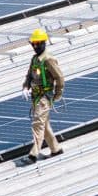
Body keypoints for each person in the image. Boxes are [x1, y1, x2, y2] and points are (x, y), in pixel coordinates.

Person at [23, 28, 65, 162]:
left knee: (37, 124)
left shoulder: (48, 59)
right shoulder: (35, 59)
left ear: (43, 43)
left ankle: (33, 154)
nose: (35, 46)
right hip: (36, 97)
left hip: (44, 98)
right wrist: (25, 87)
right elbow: (29, 75)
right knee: (44, 125)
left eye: (37, 44)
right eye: (33, 44)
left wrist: (57, 94)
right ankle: (55, 149)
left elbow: (59, 78)